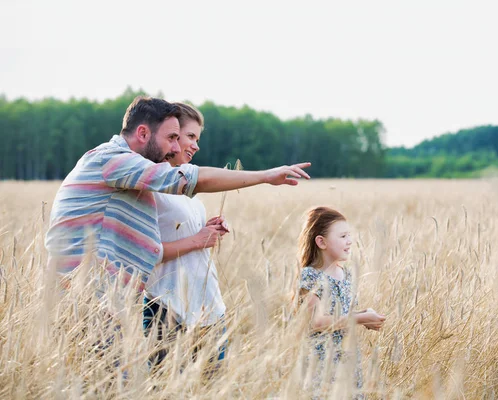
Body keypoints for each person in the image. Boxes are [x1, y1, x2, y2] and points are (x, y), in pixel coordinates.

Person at [45, 96, 311, 299]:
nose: (175, 147)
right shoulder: (113, 160)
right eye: (172, 138)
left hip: (104, 297)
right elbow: (189, 179)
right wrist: (265, 176)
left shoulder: (127, 172)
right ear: (142, 133)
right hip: (85, 296)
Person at [143, 102, 229, 368]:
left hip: (210, 308)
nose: (196, 145)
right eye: (190, 136)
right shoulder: (147, 185)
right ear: (171, 134)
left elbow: (191, 237)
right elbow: (144, 253)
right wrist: (196, 240)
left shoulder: (187, 192)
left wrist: (208, 229)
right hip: (168, 309)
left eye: (197, 139)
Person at [297, 206, 386, 399]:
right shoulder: (311, 276)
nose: (350, 241)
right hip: (322, 363)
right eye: (343, 236)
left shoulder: (345, 274)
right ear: (321, 242)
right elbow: (316, 322)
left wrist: (365, 316)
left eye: (349, 235)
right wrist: (361, 317)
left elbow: (344, 313)